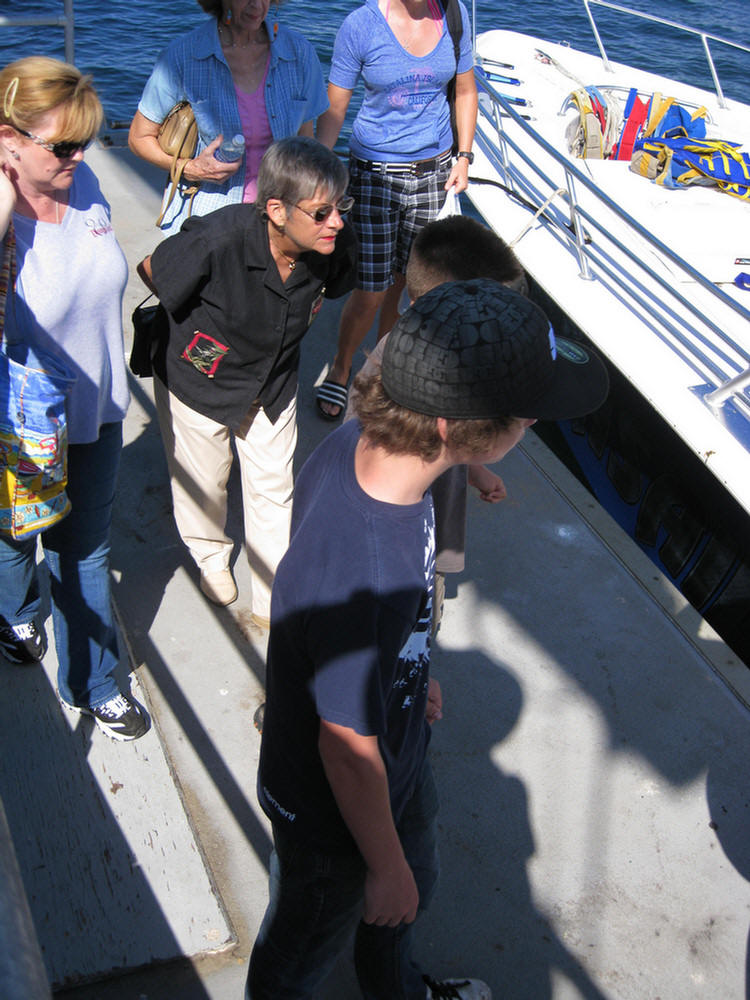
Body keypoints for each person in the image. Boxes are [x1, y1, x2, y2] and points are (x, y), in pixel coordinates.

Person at [247, 279, 610, 998]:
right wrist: (382, 866)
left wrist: (409, 671)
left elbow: (370, 657)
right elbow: (345, 748)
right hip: (333, 814)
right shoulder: (367, 568)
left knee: (413, 891)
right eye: (527, 413)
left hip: (398, 746)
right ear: (454, 424)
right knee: (307, 942)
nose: (535, 421)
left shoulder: (367, 441)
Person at [137, 137, 357, 622]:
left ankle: (274, 590)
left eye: (342, 207)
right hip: (200, 383)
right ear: (276, 210)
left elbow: (341, 282)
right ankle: (211, 556)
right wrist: (206, 326)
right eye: (322, 213)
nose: (337, 222)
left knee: (274, 486)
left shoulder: (332, 244)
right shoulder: (217, 239)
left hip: (273, 384)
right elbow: (153, 268)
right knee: (204, 480)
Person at [0, 57, 149, 741]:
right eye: (62, 144)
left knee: (83, 548)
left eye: (86, 139)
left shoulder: (83, 180)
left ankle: (94, 683)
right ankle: (16, 612)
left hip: (98, 409)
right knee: (15, 535)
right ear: (8, 138)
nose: (81, 155)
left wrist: (62, 162)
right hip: (23, 419)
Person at [346, 215, 528, 631]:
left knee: (423, 622)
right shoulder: (393, 372)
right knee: (405, 627)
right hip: (396, 545)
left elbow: (448, 437)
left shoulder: (448, 359)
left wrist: (475, 471)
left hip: (426, 527)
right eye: (489, 316)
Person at [315, 0, 478, 419]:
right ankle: (341, 366)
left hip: (434, 173)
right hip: (374, 174)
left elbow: (465, 89)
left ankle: (378, 370)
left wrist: (463, 156)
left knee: (404, 283)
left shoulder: (454, 15)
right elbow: (335, 107)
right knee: (370, 288)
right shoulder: (362, 25)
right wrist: (317, 170)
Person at [128, 0, 327, 233]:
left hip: (279, 226)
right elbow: (138, 138)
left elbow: (306, 143)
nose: (257, 5)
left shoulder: (299, 53)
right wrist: (191, 169)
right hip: (207, 224)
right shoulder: (183, 56)